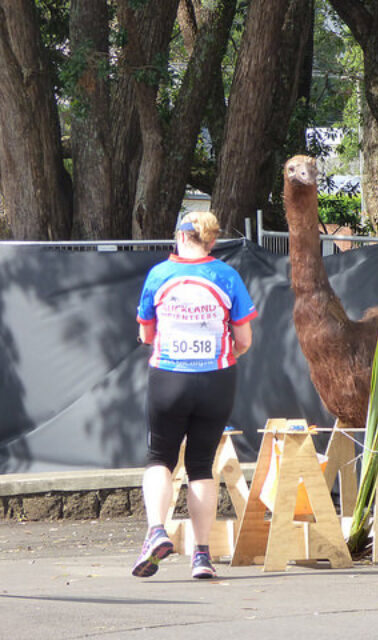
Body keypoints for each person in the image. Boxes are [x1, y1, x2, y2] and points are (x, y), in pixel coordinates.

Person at [132, 211, 257, 580]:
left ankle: (157, 531)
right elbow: (245, 339)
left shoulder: (159, 275)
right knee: (202, 464)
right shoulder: (227, 275)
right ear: (211, 240)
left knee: (160, 458)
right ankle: (202, 557)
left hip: (169, 378)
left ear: (180, 237)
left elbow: (146, 335)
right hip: (217, 379)